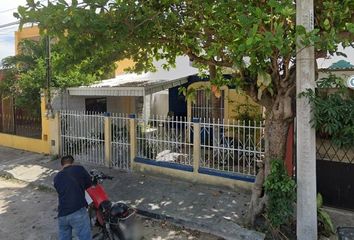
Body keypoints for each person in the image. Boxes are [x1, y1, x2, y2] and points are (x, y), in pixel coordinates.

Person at [54, 155, 93, 240]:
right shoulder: (79, 169)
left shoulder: (56, 177)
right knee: (85, 236)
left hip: (62, 214)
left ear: (62, 165)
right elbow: (89, 183)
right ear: (73, 162)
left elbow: (60, 191)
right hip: (77, 211)